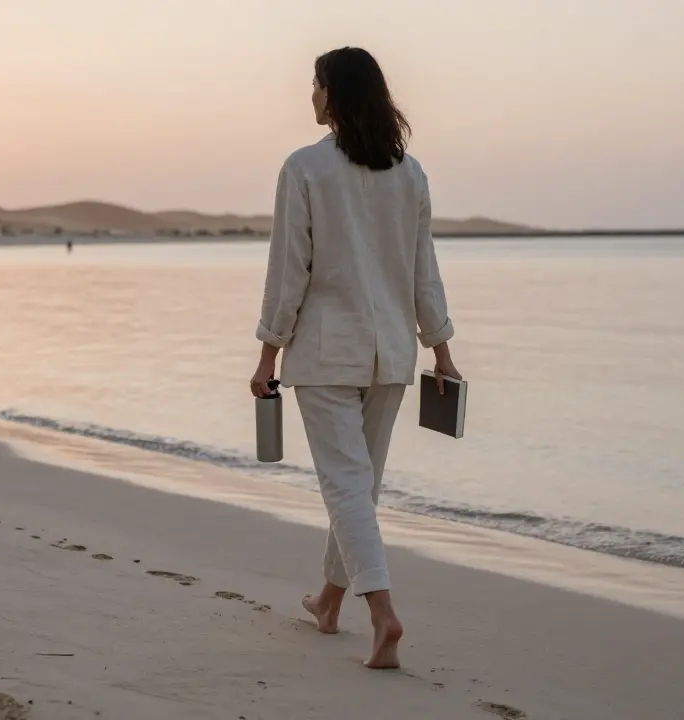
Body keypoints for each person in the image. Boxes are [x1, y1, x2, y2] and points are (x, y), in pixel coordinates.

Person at [249, 46, 461, 669]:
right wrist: (441, 348)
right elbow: (426, 272)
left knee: (346, 488)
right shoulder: (410, 172)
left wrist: (267, 356)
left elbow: (289, 273)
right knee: (359, 491)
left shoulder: (305, 168)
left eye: (316, 85)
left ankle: (383, 614)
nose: (310, 95)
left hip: (324, 353)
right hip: (391, 354)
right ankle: (329, 603)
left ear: (336, 95)